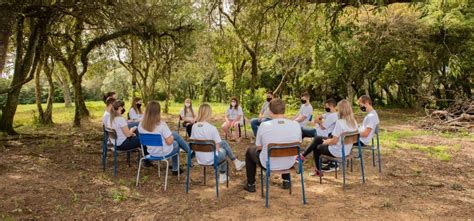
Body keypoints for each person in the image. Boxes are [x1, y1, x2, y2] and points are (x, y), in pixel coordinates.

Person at [243, 98, 302, 192]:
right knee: (286, 146)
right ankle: (286, 181)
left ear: (270, 111)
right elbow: (299, 143)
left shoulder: (264, 125)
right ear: (284, 110)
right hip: (289, 163)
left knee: (250, 151)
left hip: (268, 164)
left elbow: (258, 147)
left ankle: (251, 184)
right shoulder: (295, 124)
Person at [300, 99, 358, 177]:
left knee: (317, 148)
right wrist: (329, 140)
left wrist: (327, 142)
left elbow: (334, 141)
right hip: (346, 150)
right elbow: (353, 139)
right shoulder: (354, 122)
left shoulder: (340, 122)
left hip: (337, 151)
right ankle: (302, 156)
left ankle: (318, 171)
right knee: (317, 138)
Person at [191, 103, 246, 183]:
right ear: (208, 113)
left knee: (223, 142)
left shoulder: (194, 126)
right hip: (212, 159)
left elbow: (192, 142)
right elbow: (217, 148)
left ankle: (236, 162)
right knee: (223, 150)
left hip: (199, 158)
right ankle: (223, 175)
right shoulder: (212, 128)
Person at [138, 101, 191, 175]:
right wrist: (172, 137)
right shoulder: (161, 124)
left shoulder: (140, 125)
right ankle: (176, 168)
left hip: (151, 152)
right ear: (158, 112)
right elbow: (169, 142)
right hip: (162, 152)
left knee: (174, 134)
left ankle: (189, 152)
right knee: (176, 143)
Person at [108, 100, 152, 167]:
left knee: (137, 136)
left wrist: (131, 133)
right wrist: (131, 130)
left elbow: (122, 133)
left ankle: (146, 158)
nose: (124, 109)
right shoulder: (120, 119)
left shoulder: (110, 119)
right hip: (122, 145)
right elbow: (128, 134)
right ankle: (147, 160)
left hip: (116, 144)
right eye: (123, 107)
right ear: (120, 108)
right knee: (143, 140)